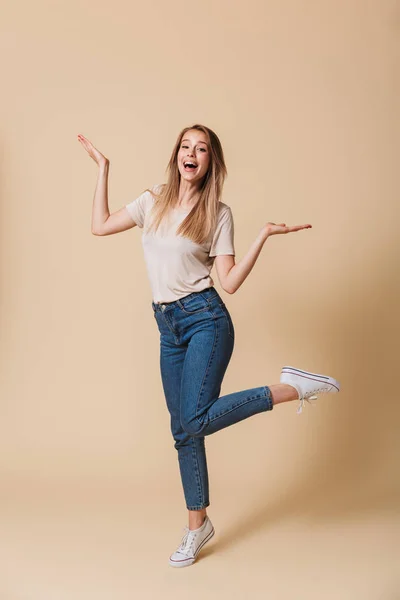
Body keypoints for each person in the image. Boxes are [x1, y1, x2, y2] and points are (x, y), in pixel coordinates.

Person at [78, 124, 340, 568]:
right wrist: (104, 168)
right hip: (168, 326)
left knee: (195, 417)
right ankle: (197, 527)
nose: (191, 154)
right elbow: (99, 226)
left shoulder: (217, 213)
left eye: (201, 149)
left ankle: (292, 387)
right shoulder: (152, 201)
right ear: (176, 154)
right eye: (185, 146)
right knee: (183, 430)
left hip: (207, 320)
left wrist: (262, 236)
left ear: (210, 162)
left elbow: (230, 283)